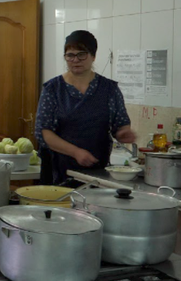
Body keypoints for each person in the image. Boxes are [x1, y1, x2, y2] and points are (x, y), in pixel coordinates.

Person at [34, 30, 136, 184]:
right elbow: (44, 133)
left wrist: (123, 133)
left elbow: (120, 124)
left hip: (97, 170)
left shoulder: (109, 89)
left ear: (93, 56)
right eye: (70, 55)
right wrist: (75, 152)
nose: (75, 60)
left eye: (82, 54)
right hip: (58, 171)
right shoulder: (53, 89)